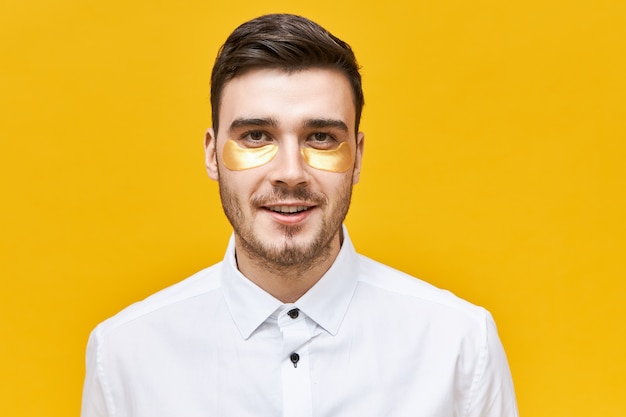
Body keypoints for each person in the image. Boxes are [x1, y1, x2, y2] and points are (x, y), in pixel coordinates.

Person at [81, 13, 518, 417]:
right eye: (256, 135)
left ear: (358, 158)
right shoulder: (123, 355)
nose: (291, 173)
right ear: (212, 154)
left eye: (321, 137)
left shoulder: (461, 346)